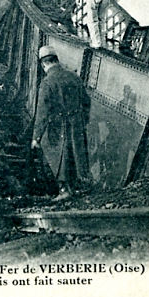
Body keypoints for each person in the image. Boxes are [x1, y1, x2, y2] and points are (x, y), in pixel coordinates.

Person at [31, 45, 92, 200]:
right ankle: (80, 186)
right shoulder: (74, 77)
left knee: (58, 155)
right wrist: (83, 120)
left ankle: (64, 189)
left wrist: (36, 137)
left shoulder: (47, 82)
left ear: (43, 64)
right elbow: (86, 101)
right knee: (76, 154)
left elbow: (42, 113)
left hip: (58, 126)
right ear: (56, 60)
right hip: (76, 123)